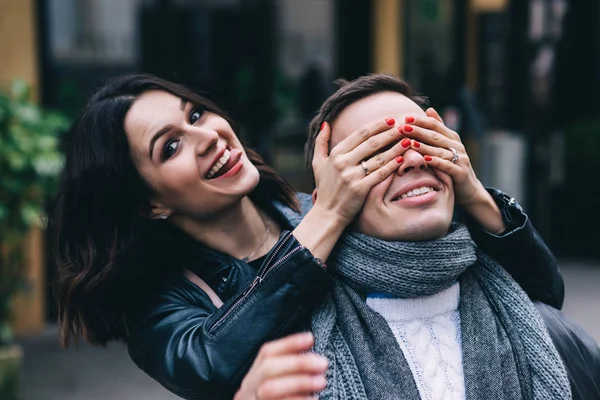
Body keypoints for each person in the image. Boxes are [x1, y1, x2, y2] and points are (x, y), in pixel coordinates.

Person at [50, 74, 566, 400]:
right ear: (150, 203)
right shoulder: (160, 305)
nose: (209, 137)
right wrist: (330, 215)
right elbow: (208, 366)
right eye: (171, 147)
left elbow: (540, 294)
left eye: (196, 113)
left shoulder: (314, 213)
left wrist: (472, 192)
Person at [237, 74, 600, 400]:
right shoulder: (293, 368)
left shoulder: (551, 335)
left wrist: (473, 189)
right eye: (377, 153)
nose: (412, 160)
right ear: (329, 199)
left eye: (424, 140)